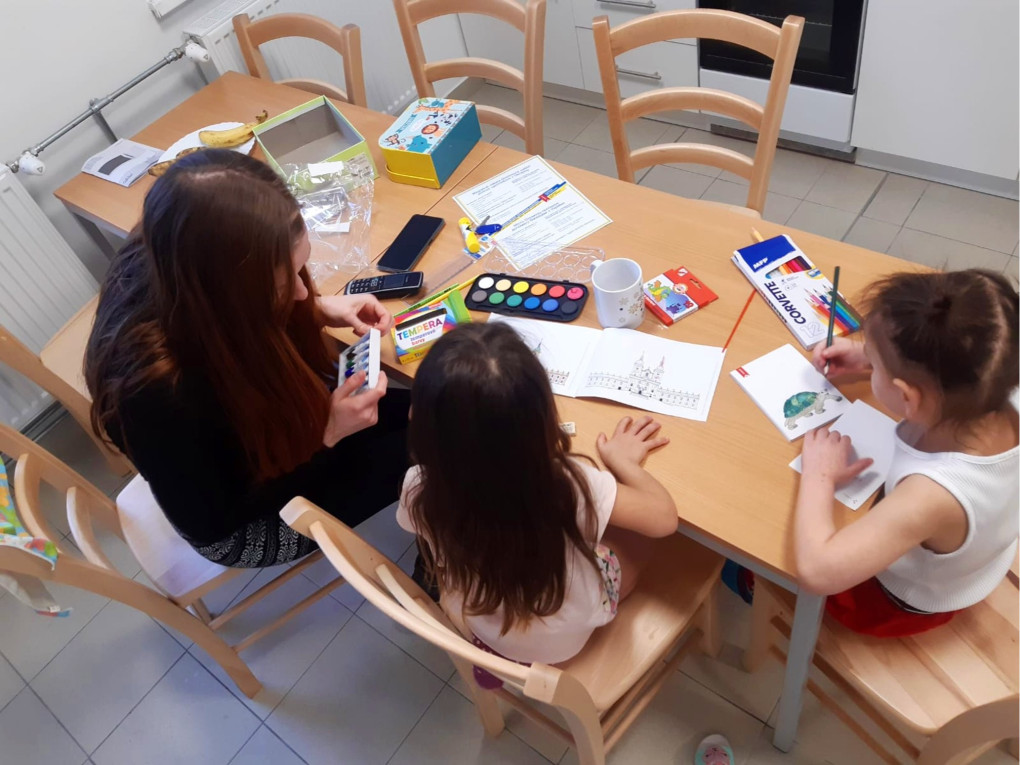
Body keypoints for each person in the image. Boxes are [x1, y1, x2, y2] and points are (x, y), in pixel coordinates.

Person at [86, 149, 409, 568]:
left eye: (299, 269)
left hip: (266, 431)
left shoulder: (177, 255)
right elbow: (218, 517)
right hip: (244, 521)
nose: (301, 291)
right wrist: (328, 434)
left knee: (430, 408)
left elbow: (245, 319)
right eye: (280, 286)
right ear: (226, 289)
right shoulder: (157, 390)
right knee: (438, 444)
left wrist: (315, 308)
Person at [396, 321, 680, 666]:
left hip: (481, 622)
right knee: (643, 541)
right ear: (544, 417)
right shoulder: (566, 485)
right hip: (561, 642)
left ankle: (497, 657)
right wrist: (622, 463)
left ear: (419, 419)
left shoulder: (416, 486)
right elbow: (664, 519)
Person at [795, 269, 1019, 637]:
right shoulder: (999, 380)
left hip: (903, 601)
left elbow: (818, 571)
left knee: (767, 559)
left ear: (906, 396)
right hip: (983, 555)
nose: (869, 362)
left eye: (875, 363)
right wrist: (873, 359)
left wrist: (819, 475)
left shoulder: (931, 495)